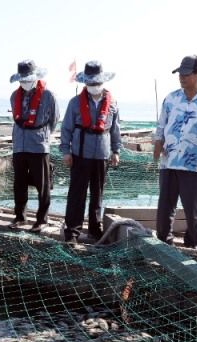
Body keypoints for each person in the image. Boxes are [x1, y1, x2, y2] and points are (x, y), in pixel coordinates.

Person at [153, 55, 197, 250]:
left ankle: (193, 246)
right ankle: (163, 242)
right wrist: (158, 142)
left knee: (193, 210)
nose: (182, 77)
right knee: (165, 207)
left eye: (186, 73)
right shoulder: (171, 98)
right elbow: (161, 126)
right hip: (169, 161)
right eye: (180, 73)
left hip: (195, 162)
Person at [59, 60, 121, 244]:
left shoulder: (112, 103)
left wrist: (116, 151)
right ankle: (72, 232)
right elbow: (66, 129)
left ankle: (95, 229)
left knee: (97, 194)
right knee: (76, 194)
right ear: (85, 83)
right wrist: (65, 151)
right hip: (79, 154)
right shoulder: (75, 102)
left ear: (103, 82)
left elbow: (115, 129)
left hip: (101, 155)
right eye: (90, 83)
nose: (94, 86)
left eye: (97, 83)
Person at [8, 59, 61, 232]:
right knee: (19, 182)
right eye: (21, 80)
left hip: (39, 145)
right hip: (19, 145)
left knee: (42, 183)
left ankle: (41, 219)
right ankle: (20, 217)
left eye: (27, 79)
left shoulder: (49, 95)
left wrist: (42, 135)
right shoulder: (14, 96)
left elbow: (54, 119)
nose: (24, 82)